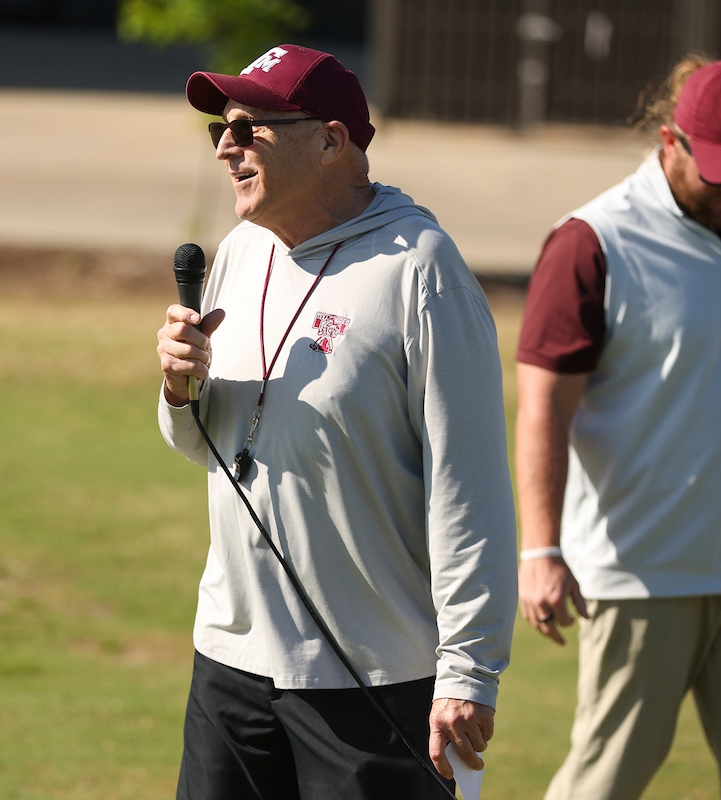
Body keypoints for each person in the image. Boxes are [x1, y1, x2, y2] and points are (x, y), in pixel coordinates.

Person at [156, 44, 517, 799]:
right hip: (232, 659)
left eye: (252, 127)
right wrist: (179, 389)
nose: (227, 145)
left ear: (330, 140)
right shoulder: (240, 252)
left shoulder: (421, 269)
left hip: (372, 680)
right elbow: (214, 447)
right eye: (221, 128)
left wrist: (469, 670)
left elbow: (471, 485)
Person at [515, 56, 721, 800]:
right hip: (641, 574)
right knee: (605, 782)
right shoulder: (591, 242)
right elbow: (544, 406)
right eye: (718, 170)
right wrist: (540, 549)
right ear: (670, 142)